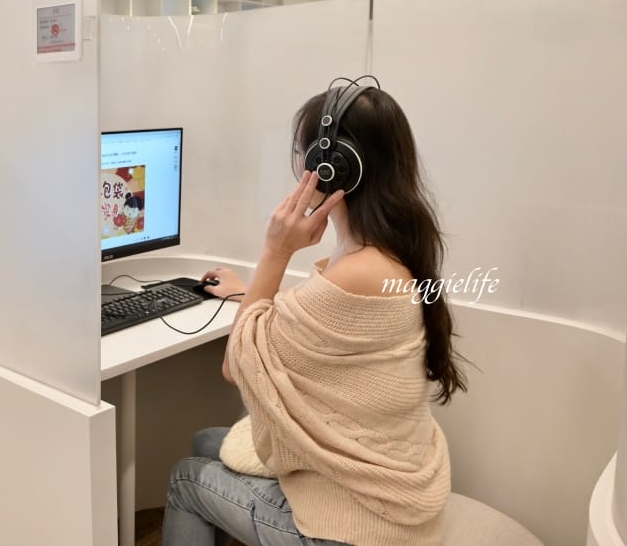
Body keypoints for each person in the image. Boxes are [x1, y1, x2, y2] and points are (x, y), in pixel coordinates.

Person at [162, 85, 467, 546]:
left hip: (356, 528)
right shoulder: (394, 250)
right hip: (392, 495)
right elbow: (326, 317)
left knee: (188, 477)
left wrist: (275, 249)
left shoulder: (357, 271)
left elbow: (234, 366)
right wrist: (251, 291)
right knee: (210, 439)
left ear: (329, 166)